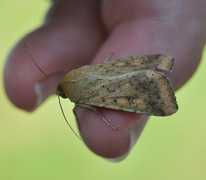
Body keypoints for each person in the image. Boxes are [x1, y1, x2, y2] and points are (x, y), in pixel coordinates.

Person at [4, 0, 206, 160]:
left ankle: (159, 92)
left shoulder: (79, 101)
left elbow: (83, 108)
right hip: (112, 69)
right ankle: (158, 64)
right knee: (116, 69)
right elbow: (97, 68)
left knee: (109, 123)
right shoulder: (73, 75)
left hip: (113, 92)